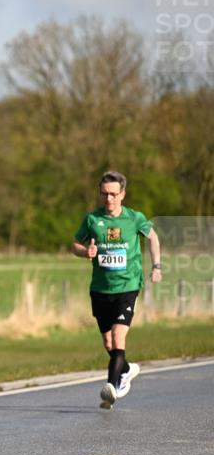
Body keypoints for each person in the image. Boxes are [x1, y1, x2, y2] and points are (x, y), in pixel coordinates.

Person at [71, 170, 161, 409]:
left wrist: (156, 266)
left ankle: (111, 388)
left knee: (118, 337)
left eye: (112, 194)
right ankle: (127, 369)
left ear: (122, 194)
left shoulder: (134, 218)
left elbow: (153, 238)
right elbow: (75, 244)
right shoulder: (92, 219)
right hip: (100, 289)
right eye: (104, 194)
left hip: (128, 286)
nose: (108, 199)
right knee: (109, 344)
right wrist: (85, 252)